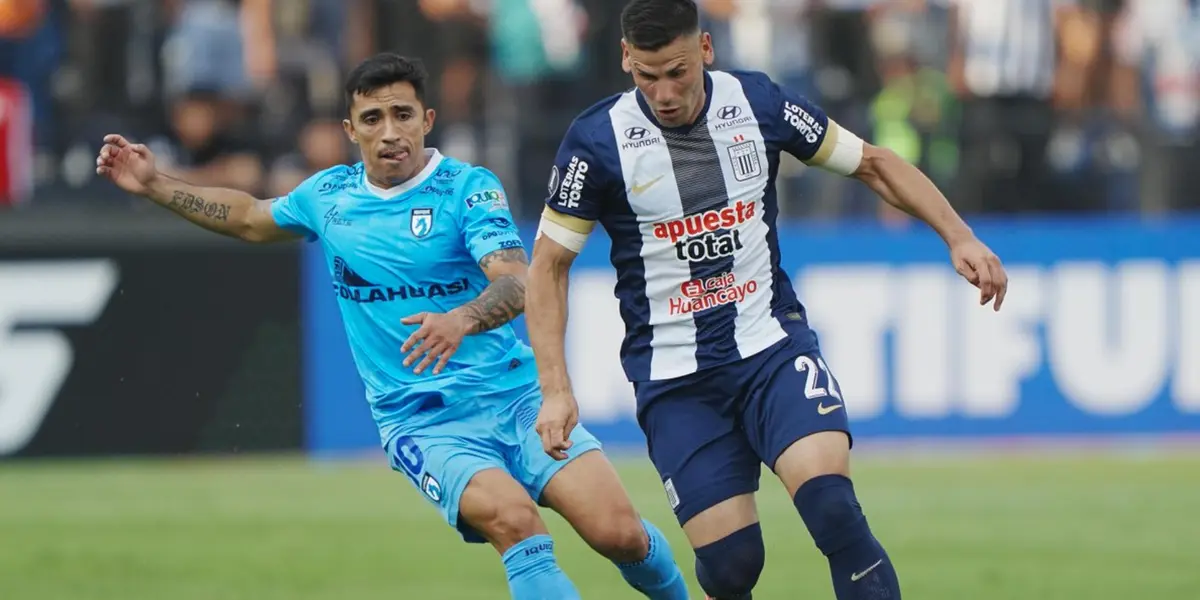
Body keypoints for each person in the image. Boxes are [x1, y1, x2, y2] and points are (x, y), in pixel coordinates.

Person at [95, 52, 689, 600]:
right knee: (515, 522)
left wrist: (460, 319)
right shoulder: (327, 197)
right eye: (372, 118)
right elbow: (251, 217)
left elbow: (517, 281)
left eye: (402, 114)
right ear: (351, 130)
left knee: (620, 534)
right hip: (424, 422)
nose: (389, 132)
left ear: (426, 119)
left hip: (517, 399)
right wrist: (154, 184)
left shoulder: (467, 189)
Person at [525, 1, 1010, 599]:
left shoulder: (757, 104)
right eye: (647, 76)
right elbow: (547, 267)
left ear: (705, 49)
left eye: (677, 71)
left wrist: (958, 234)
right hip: (677, 381)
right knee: (732, 567)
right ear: (626, 58)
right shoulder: (595, 143)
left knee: (832, 508)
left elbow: (874, 165)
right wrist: (555, 389)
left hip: (771, 350)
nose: (665, 92)